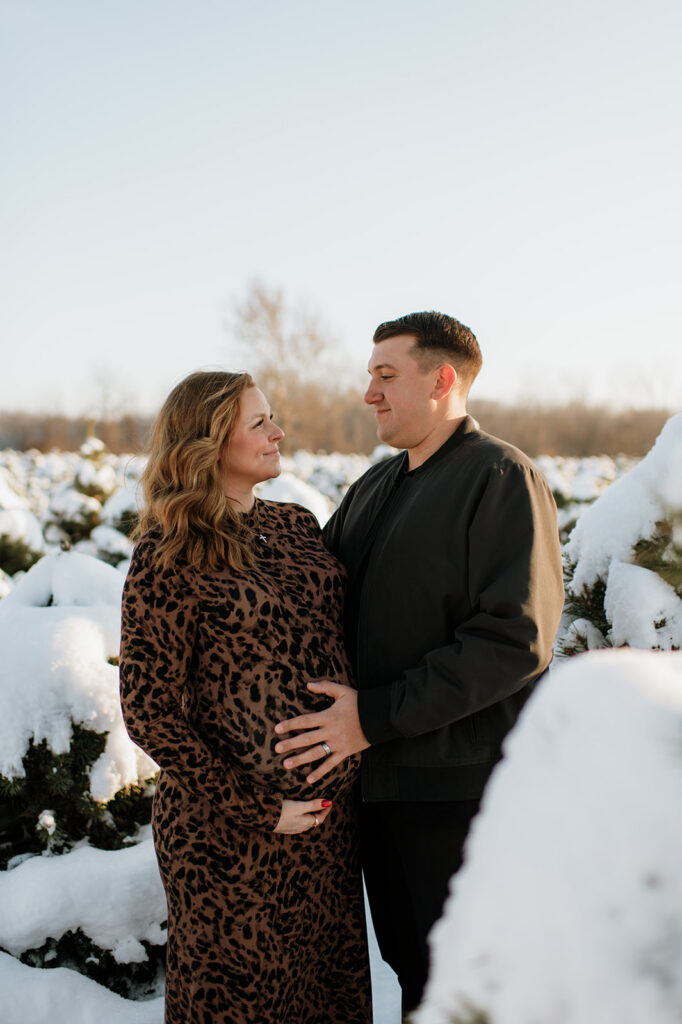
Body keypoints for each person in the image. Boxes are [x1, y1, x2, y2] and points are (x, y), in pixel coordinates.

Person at [274, 311, 565, 1015]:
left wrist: (372, 718)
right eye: (369, 375)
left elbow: (514, 640)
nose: (368, 392)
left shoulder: (498, 477)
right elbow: (315, 592)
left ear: (442, 380)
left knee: (462, 984)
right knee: (410, 971)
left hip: (457, 796)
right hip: (380, 791)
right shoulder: (376, 487)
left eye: (385, 375)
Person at [119, 370, 372, 1024]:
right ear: (206, 441)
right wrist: (261, 809)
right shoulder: (168, 552)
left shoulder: (296, 526)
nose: (276, 432)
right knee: (238, 1005)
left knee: (325, 996)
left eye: (272, 418)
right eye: (258, 422)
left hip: (324, 828)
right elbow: (148, 710)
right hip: (228, 838)